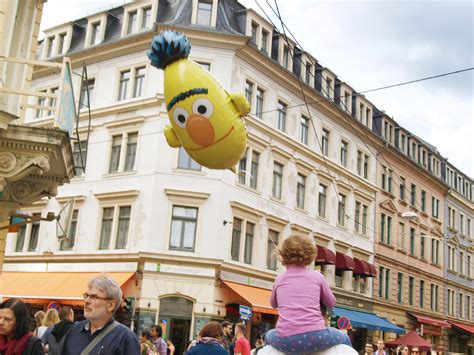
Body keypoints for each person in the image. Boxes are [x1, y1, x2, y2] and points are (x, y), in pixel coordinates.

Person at [265, 235, 352, 353]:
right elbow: (331, 302)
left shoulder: (279, 279)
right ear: (309, 255)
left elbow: (273, 303)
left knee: (268, 335)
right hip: (315, 337)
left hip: (285, 340)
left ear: (283, 255)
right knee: (344, 337)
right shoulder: (317, 277)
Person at [63, 274, 140, 354]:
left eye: (94, 297)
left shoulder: (125, 338)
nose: (87, 301)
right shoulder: (74, 330)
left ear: (110, 305)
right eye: (86, 296)